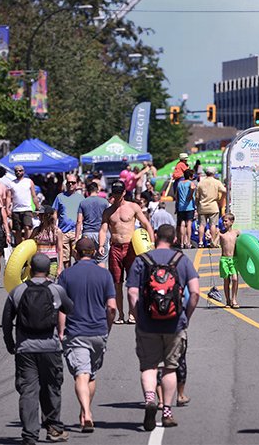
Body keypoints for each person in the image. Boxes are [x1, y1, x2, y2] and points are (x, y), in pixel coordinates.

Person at [126, 224, 200, 431]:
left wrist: (138, 316)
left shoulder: (142, 260)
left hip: (147, 324)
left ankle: (151, 398)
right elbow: (194, 293)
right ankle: (166, 411)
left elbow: (132, 293)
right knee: (170, 367)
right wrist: (187, 316)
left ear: (155, 237)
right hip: (175, 323)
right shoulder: (182, 261)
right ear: (175, 239)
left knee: (149, 366)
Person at [2, 254, 73, 445]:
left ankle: (30, 435)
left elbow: (6, 320)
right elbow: (70, 308)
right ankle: (53, 429)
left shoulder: (17, 291)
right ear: (48, 270)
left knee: (28, 391)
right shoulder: (56, 290)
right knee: (52, 388)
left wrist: (10, 343)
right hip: (50, 348)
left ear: (30, 269)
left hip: (25, 349)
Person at [57, 237, 116, 433]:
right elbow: (112, 307)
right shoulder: (104, 274)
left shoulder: (66, 275)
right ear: (94, 252)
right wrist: (107, 327)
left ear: (76, 252)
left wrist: (61, 331)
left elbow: (62, 308)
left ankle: (87, 412)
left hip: (76, 332)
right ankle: (85, 413)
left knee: (81, 374)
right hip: (99, 331)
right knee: (90, 374)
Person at [100, 180, 154, 324]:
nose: (117, 196)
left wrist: (151, 243)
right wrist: (100, 245)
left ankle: (132, 313)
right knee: (116, 283)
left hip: (131, 248)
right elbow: (103, 229)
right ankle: (120, 314)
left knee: (132, 282)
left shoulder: (133, 207)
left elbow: (146, 224)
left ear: (124, 192)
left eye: (119, 193)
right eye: (115, 193)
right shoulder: (108, 211)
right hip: (115, 248)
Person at [52, 175, 83, 271]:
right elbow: (55, 212)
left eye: (73, 182)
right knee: (65, 259)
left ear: (76, 184)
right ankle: (68, 276)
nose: (70, 184)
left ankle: (77, 276)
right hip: (63, 232)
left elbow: (83, 215)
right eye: (68, 182)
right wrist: (54, 227)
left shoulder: (81, 198)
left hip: (76, 232)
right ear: (66, 184)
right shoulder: (60, 197)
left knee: (78, 257)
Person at [75, 182, 109, 267]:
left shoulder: (83, 203)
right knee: (101, 260)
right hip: (101, 234)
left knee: (86, 259)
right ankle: (101, 278)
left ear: (87, 191)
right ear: (97, 190)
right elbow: (109, 219)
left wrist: (76, 238)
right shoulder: (104, 202)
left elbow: (79, 221)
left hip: (87, 234)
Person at [194, 167, 226, 248]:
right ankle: (213, 241)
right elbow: (224, 190)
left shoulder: (201, 183)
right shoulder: (216, 182)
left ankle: (200, 242)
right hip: (213, 206)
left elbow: (197, 196)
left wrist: (197, 205)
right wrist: (220, 199)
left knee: (201, 224)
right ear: (214, 173)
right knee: (213, 225)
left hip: (202, 206)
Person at [31, 205, 64, 279]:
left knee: (49, 285)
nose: (38, 216)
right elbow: (29, 244)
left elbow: (60, 249)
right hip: (38, 262)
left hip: (51, 262)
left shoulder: (57, 231)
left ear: (47, 216)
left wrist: (60, 267)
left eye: (41, 214)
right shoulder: (37, 230)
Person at [10, 166, 39, 246]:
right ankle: (19, 246)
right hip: (16, 210)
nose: (18, 172)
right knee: (17, 230)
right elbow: (9, 197)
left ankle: (27, 245)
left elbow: (34, 196)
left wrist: (38, 208)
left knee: (27, 227)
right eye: (16, 171)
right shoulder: (12, 183)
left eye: (20, 171)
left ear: (23, 171)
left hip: (27, 208)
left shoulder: (29, 181)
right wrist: (8, 209)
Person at [218, 213, 241, 309]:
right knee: (226, 280)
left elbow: (242, 244)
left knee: (235, 279)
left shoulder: (237, 233)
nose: (224, 223)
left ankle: (234, 299)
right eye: (223, 221)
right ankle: (228, 300)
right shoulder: (221, 234)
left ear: (232, 222)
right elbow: (214, 243)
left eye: (226, 221)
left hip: (233, 259)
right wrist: (210, 238)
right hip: (224, 260)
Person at [175, 170, 197, 249]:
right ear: (190, 176)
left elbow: (176, 195)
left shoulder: (180, 183)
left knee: (182, 223)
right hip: (189, 206)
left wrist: (178, 203)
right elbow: (192, 189)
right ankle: (188, 242)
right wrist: (190, 195)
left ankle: (182, 242)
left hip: (181, 206)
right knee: (189, 224)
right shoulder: (191, 183)